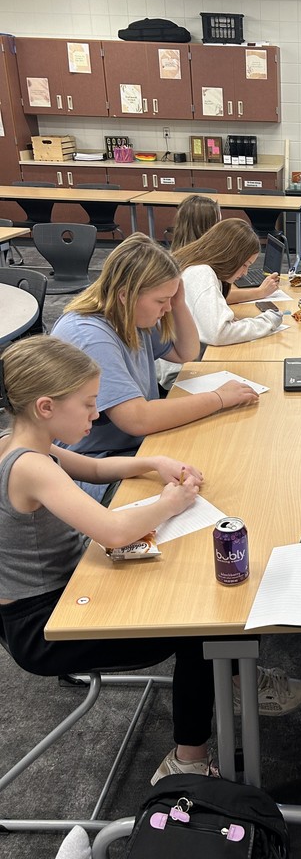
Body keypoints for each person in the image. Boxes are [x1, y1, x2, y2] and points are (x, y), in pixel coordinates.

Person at [0, 335, 217, 784]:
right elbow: (114, 531)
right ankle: (188, 758)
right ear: (45, 407)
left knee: (190, 592)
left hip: (53, 596)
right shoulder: (30, 466)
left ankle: (227, 674)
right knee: (201, 627)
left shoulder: (16, 442)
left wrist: (151, 462)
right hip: (45, 625)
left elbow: (93, 468)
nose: (96, 415)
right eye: (87, 405)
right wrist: (170, 502)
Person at [50, 233, 260, 464]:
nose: (166, 308)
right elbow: (137, 419)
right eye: (161, 301)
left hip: (132, 446)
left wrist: (179, 301)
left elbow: (185, 353)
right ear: (125, 296)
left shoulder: (130, 318)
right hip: (93, 461)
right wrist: (218, 398)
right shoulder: (91, 337)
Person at [157, 218, 284, 389]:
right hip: (180, 374)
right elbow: (219, 333)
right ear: (230, 256)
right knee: (263, 379)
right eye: (245, 265)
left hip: (187, 362)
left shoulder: (198, 266)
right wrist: (267, 322)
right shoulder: (202, 273)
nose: (245, 273)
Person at [170, 194, 280, 303]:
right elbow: (218, 297)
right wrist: (260, 292)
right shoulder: (199, 269)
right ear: (209, 227)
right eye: (218, 222)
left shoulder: (180, 253)